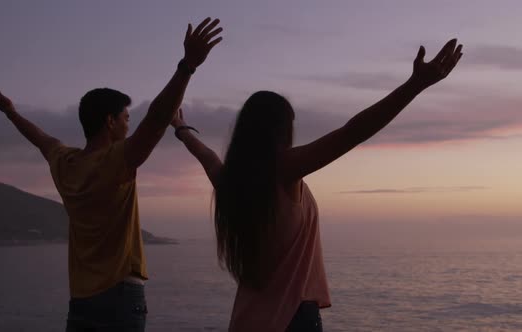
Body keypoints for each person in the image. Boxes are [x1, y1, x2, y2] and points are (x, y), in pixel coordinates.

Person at [171, 39, 463, 332]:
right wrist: (415, 85)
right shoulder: (284, 168)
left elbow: (205, 155)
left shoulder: (230, 181)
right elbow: (353, 132)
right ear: (281, 128)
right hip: (292, 320)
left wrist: (181, 129)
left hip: (246, 319)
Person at [0, 17, 223, 332]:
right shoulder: (116, 161)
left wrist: (11, 113)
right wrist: (187, 67)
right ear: (110, 122)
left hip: (81, 302)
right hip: (120, 299)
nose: (129, 124)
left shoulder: (64, 162)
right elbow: (155, 119)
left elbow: (38, 137)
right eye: (126, 118)